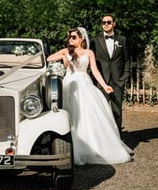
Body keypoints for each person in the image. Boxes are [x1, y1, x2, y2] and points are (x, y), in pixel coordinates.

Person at [47, 27, 132, 165]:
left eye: (74, 37)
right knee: (70, 116)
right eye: (69, 37)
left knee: (88, 115)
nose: (70, 39)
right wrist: (62, 57)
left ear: (82, 39)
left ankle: (92, 148)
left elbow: (95, 71)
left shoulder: (89, 52)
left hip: (84, 84)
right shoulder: (66, 51)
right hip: (69, 84)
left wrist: (105, 86)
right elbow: (49, 58)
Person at [91, 14, 129, 131]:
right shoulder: (95, 41)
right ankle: (102, 136)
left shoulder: (122, 40)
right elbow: (91, 62)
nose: (106, 24)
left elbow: (127, 59)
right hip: (101, 81)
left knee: (117, 110)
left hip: (118, 81)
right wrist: (94, 79)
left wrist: (125, 76)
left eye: (108, 22)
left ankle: (117, 136)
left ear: (114, 24)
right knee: (100, 110)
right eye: (104, 22)